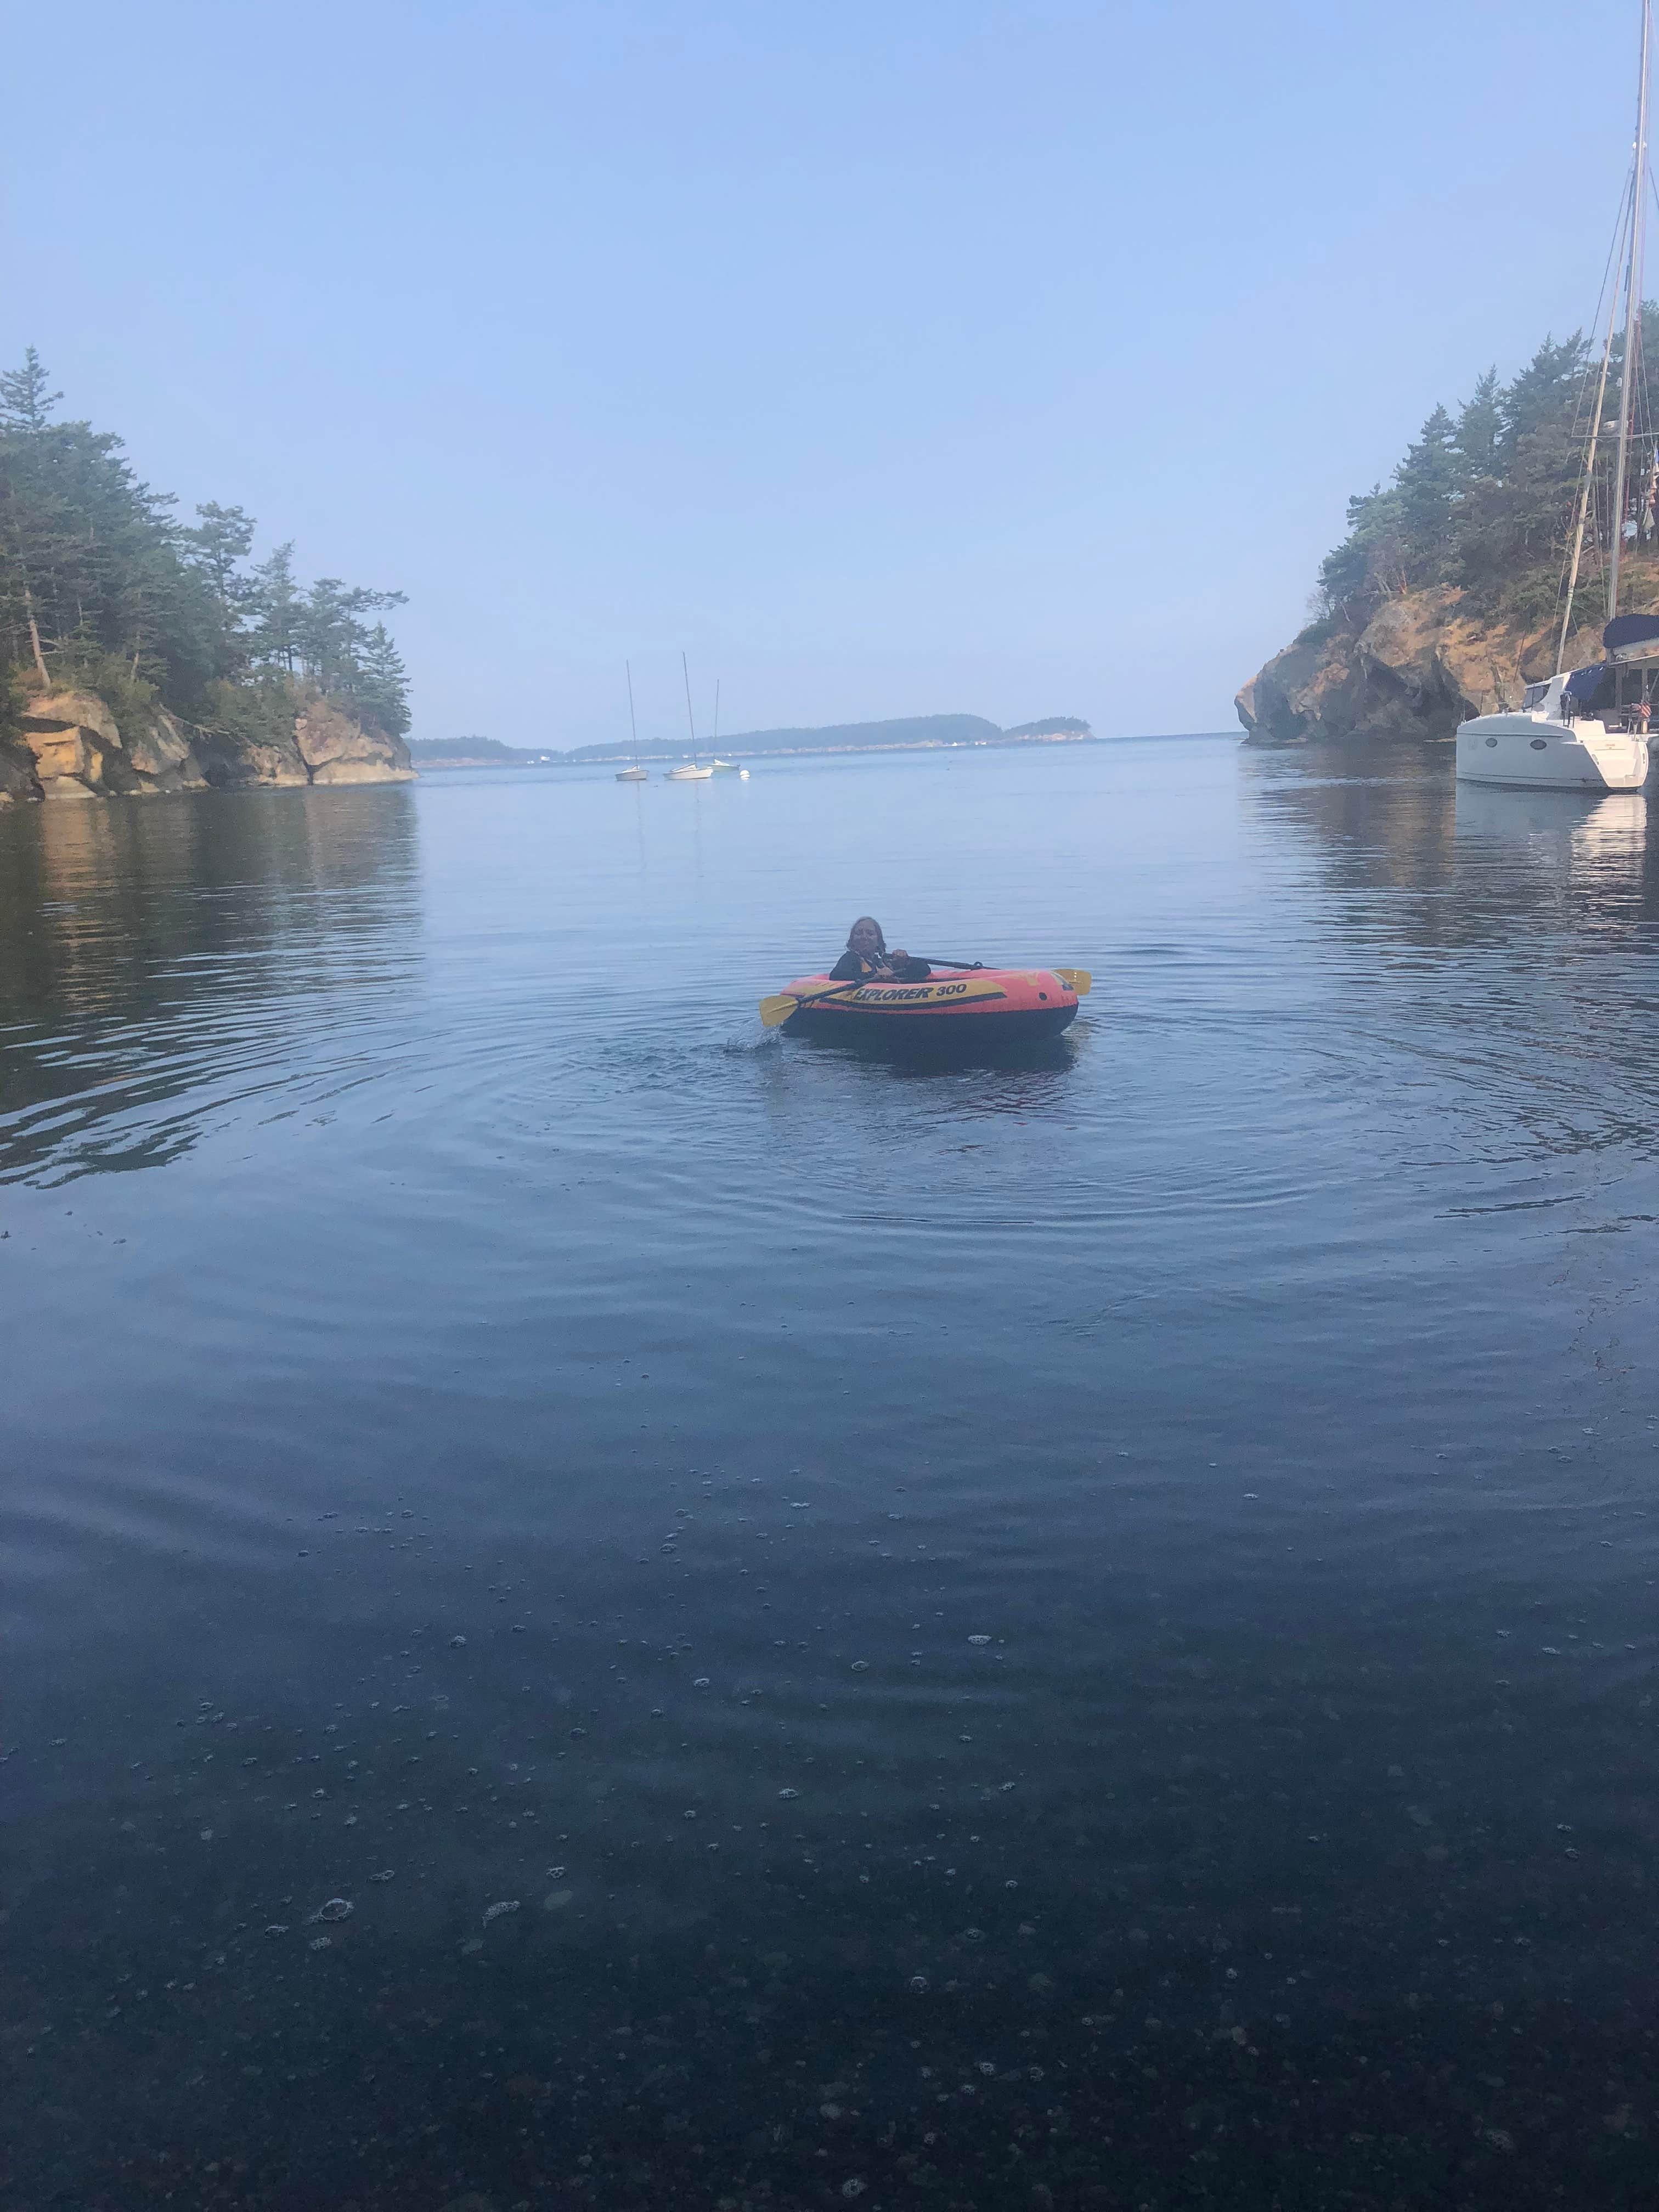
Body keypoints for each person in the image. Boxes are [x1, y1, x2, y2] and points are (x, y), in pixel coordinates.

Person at [829, 916, 932, 983]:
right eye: (859, 933)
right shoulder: (850, 958)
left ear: (878, 941)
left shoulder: (884, 961)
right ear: (852, 940)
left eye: (870, 933)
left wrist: (906, 962)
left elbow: (924, 971)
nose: (864, 937)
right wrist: (875, 975)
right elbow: (837, 975)